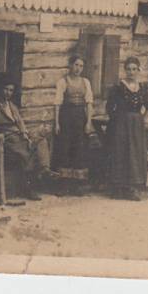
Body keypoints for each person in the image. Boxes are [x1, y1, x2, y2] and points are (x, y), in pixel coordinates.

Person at [0, 74, 49, 200]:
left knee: (41, 141)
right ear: (0, 89)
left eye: (11, 90)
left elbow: (20, 122)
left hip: (19, 135)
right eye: (6, 89)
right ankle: (29, 188)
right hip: (6, 138)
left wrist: (25, 133)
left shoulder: (12, 106)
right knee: (26, 151)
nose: (8, 93)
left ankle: (45, 169)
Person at [104, 57, 148, 201]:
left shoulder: (143, 88)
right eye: (128, 69)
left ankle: (132, 188)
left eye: (134, 69)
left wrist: (141, 118)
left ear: (138, 70)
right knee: (120, 153)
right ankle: (118, 188)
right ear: (124, 70)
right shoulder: (118, 88)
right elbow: (109, 107)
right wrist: (118, 120)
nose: (131, 72)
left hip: (136, 125)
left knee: (134, 154)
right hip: (120, 125)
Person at [52, 55, 94, 194]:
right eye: (76, 65)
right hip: (66, 117)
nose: (78, 69)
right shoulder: (63, 82)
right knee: (65, 148)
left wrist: (88, 122)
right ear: (70, 65)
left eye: (81, 66)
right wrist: (57, 123)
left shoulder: (86, 82)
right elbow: (58, 103)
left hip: (80, 118)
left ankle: (77, 185)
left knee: (79, 148)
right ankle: (64, 185)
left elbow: (89, 104)